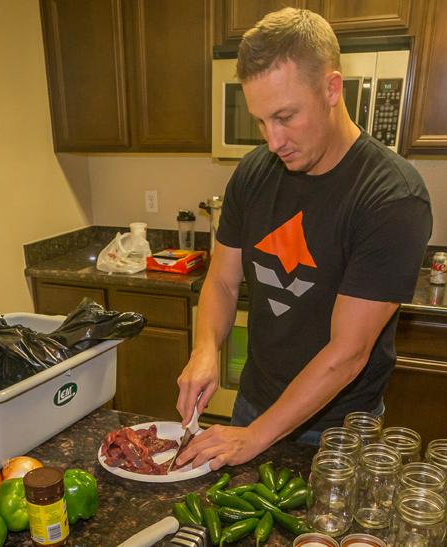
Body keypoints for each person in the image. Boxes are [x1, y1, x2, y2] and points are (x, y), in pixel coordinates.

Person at [175, 8, 432, 470]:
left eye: (285, 117)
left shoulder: (392, 197)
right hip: (254, 406)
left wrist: (254, 437)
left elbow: (347, 354)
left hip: (340, 431)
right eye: (260, 121)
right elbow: (222, 281)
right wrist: (204, 351)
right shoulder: (253, 175)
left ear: (332, 89)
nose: (273, 140)